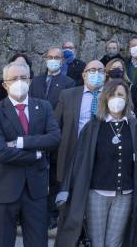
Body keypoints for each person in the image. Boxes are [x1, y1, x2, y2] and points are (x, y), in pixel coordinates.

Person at [55, 80, 137, 247]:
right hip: (96, 194)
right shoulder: (93, 127)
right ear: (105, 98)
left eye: (120, 94)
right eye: (112, 95)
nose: (116, 98)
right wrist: (67, 189)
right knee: (96, 242)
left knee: (114, 243)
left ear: (127, 98)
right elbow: (79, 160)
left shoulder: (135, 127)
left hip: (124, 195)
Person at [0, 61, 61, 247]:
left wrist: (20, 142)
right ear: (5, 84)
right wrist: (36, 154)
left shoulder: (43, 107)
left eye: (23, 78)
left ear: (30, 81)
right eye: (14, 78)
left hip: (35, 190)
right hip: (3, 189)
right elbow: (0, 152)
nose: (19, 82)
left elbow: (54, 138)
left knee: (37, 242)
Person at [29, 47, 75, 229]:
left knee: (55, 177)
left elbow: (66, 110)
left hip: (57, 134)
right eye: (50, 57)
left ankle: (52, 213)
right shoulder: (36, 81)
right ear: (45, 58)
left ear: (63, 61)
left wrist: (52, 128)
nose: (53, 60)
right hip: (36, 134)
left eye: (57, 57)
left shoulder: (69, 82)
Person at [54, 60, 107, 189]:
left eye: (100, 71)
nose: (96, 73)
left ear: (105, 75)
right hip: (73, 152)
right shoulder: (67, 95)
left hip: (102, 154)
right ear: (84, 75)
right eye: (92, 70)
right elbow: (56, 125)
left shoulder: (113, 96)